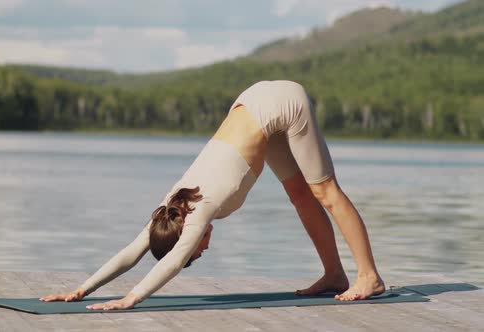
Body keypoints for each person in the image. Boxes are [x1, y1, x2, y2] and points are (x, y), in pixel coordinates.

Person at [40, 80, 385, 310]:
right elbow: (131, 252)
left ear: (187, 238)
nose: (202, 249)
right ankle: (334, 274)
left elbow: (173, 261)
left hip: (282, 104)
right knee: (299, 193)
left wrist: (130, 298)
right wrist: (83, 289)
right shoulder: (171, 204)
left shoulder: (199, 210)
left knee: (323, 190)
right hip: (255, 106)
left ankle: (369, 276)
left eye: (197, 252)